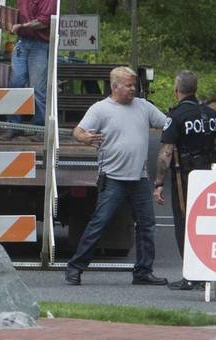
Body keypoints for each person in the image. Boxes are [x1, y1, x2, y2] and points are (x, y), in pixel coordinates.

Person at [65, 66, 169, 286]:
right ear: (115, 87)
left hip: (139, 178)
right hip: (112, 177)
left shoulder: (143, 106)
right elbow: (78, 131)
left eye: (134, 85)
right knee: (100, 223)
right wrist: (85, 138)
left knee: (147, 225)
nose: (133, 89)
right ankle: (75, 267)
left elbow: (167, 124)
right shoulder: (100, 109)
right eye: (128, 85)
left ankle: (143, 272)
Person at [153, 70, 216, 290]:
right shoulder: (212, 114)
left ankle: (191, 275)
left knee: (184, 224)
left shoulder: (176, 117)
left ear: (176, 91)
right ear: (196, 89)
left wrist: (159, 183)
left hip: (185, 178)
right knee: (206, 225)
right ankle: (206, 273)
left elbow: (166, 153)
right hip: (209, 177)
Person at [5, 0, 57, 137]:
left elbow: (43, 21)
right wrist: (10, 21)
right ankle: (14, 127)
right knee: (15, 83)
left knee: (38, 89)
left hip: (40, 44)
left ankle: (40, 129)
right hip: (22, 41)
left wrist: (22, 25)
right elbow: (18, 7)